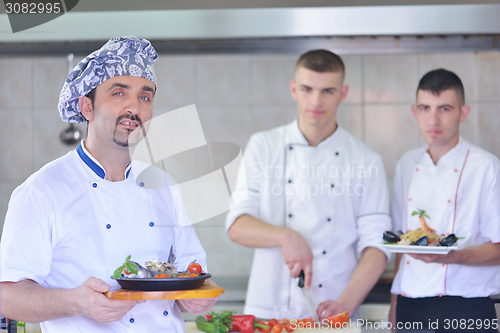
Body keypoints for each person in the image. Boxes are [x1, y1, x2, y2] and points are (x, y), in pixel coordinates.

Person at [0, 36, 217, 332]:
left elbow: (194, 276)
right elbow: (7, 297)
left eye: (145, 96)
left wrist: (198, 297)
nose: (135, 108)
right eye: (118, 93)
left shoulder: (165, 185)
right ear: (87, 108)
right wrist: (76, 302)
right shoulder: (42, 191)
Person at [225, 50, 391, 321]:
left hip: (335, 310)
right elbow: (236, 225)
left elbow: (377, 246)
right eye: (306, 89)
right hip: (269, 311)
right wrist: (287, 236)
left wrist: (344, 305)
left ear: (343, 92)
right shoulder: (264, 146)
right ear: (293, 89)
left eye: (327, 91)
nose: (316, 101)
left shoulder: (366, 160)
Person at [389, 69, 500, 332]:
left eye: (445, 108)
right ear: (414, 112)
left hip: (467, 306)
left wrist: (454, 257)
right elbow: (400, 244)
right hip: (410, 305)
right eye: (425, 108)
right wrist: (394, 306)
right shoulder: (407, 163)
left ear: (463, 113)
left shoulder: (486, 167)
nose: (433, 119)